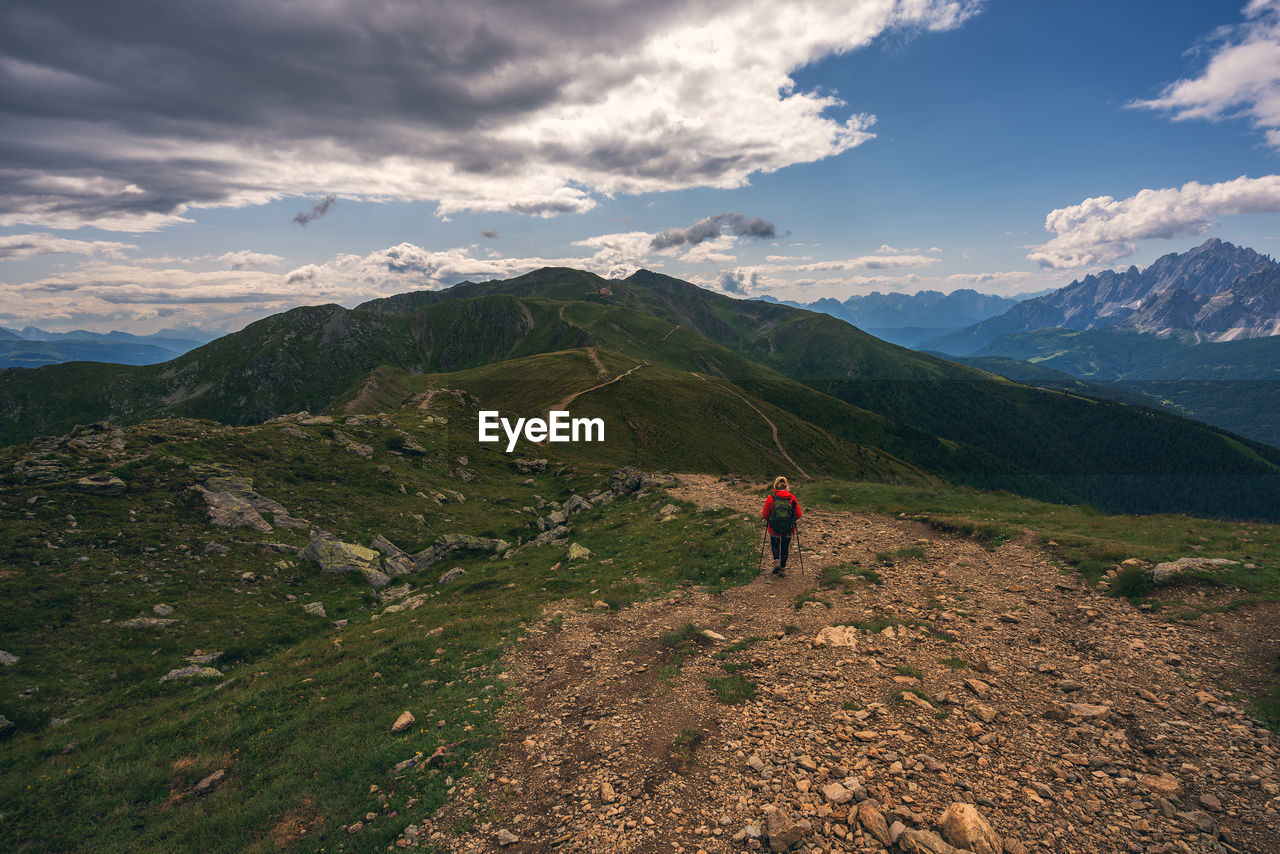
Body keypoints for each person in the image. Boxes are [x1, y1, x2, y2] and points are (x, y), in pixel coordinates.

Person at [762, 475, 801, 577]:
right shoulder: (792, 498)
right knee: (785, 548)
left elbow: (765, 515)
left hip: (774, 529)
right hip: (788, 529)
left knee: (775, 545)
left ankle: (776, 562)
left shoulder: (771, 498)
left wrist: (770, 521)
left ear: (775, 486)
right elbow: (798, 515)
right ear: (786, 486)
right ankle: (782, 570)